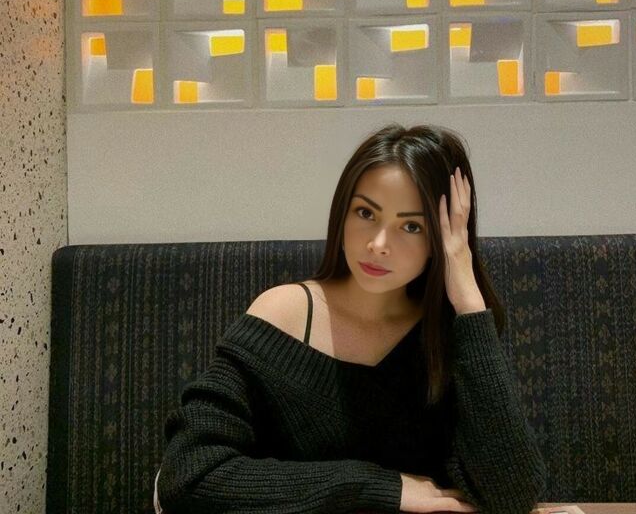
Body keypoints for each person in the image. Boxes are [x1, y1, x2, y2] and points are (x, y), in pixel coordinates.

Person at [154, 123, 547, 514]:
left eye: (411, 226)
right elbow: (188, 476)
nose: (378, 244)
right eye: (365, 213)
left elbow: (512, 496)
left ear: (442, 240)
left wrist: (469, 302)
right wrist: (380, 487)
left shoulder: (450, 334)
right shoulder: (284, 316)